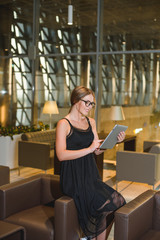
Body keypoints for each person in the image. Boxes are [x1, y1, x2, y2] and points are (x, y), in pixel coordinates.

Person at [56, 86, 126, 240]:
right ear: (75, 100)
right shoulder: (64, 124)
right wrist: (89, 149)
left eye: (92, 104)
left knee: (119, 201)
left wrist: (113, 141)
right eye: (86, 102)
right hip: (73, 177)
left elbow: (96, 151)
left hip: (90, 174)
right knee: (107, 205)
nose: (89, 107)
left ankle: (93, 238)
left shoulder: (91, 122)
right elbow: (61, 155)